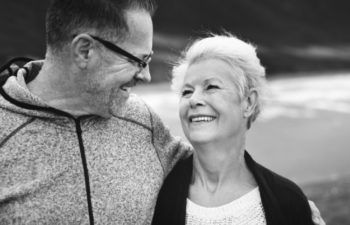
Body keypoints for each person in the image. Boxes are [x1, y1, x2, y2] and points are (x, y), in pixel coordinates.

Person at [0, 0, 190, 224]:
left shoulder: (143, 119)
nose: (146, 76)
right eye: (140, 60)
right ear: (85, 50)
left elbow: (216, 170)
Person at [152, 33, 326, 225]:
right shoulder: (155, 195)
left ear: (248, 102)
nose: (193, 100)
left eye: (211, 87)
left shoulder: (288, 201)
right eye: (186, 92)